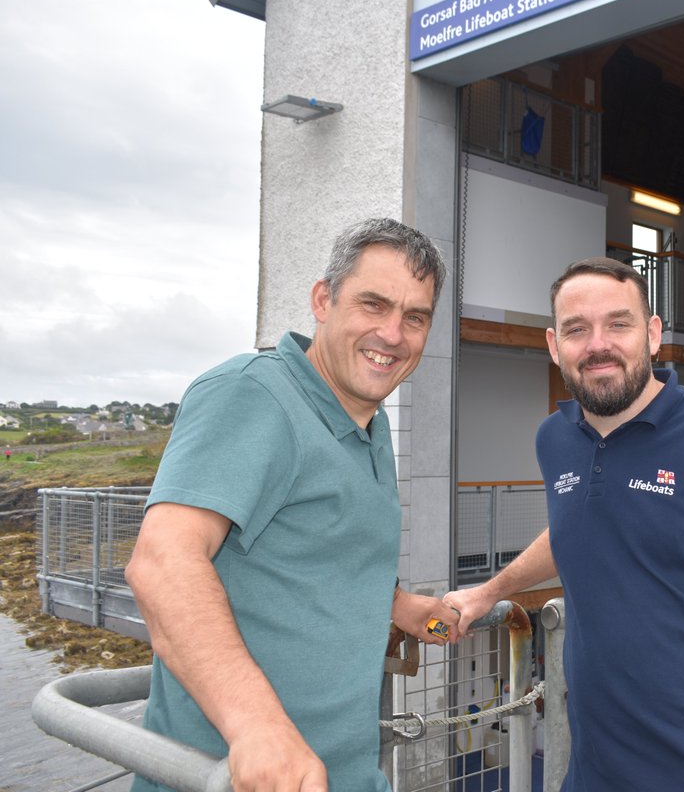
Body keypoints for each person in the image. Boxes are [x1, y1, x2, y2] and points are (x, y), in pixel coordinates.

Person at [445, 257, 684, 791]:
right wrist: (491, 591)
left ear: (652, 336)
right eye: (576, 329)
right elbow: (576, 526)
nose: (598, 344)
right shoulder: (554, 440)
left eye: (618, 324)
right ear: (555, 346)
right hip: (599, 772)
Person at [125, 218, 460, 792]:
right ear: (323, 300)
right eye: (373, 305)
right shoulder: (253, 393)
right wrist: (256, 727)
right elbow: (163, 563)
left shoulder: (370, 425)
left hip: (348, 775)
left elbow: (316, 551)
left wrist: (398, 603)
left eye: (415, 317)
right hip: (234, 779)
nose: (392, 334)